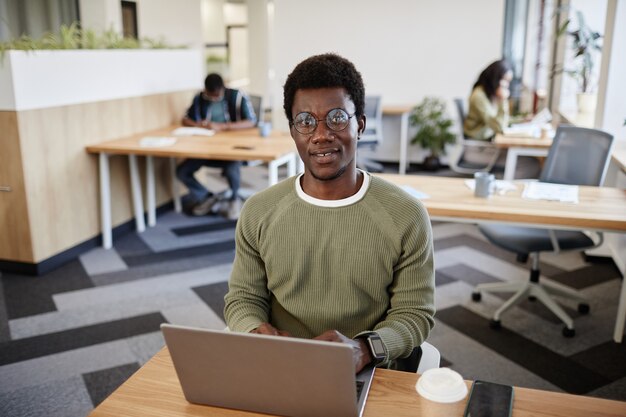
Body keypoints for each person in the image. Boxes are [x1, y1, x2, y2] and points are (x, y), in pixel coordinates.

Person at [224, 53, 435, 373]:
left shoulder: (405, 215)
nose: (321, 135)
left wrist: (364, 349)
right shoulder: (259, 211)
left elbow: (414, 314)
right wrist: (255, 330)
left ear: (360, 125)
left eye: (337, 118)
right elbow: (242, 299)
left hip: (366, 368)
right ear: (294, 132)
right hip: (282, 363)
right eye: (306, 121)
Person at [176, 73, 257, 219]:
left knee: (232, 166)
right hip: (207, 148)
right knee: (182, 171)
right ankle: (208, 197)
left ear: (223, 88)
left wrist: (224, 126)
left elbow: (251, 121)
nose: (213, 98)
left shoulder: (237, 96)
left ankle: (234, 199)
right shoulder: (200, 97)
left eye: (216, 95)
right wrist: (198, 125)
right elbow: (185, 119)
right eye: (210, 95)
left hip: (232, 146)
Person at [464, 59, 513, 141]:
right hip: (478, 143)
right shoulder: (479, 96)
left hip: (487, 139)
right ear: (495, 78)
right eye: (505, 80)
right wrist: (502, 100)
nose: (506, 85)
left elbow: (497, 120)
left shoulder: (488, 94)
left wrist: (521, 120)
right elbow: (499, 127)